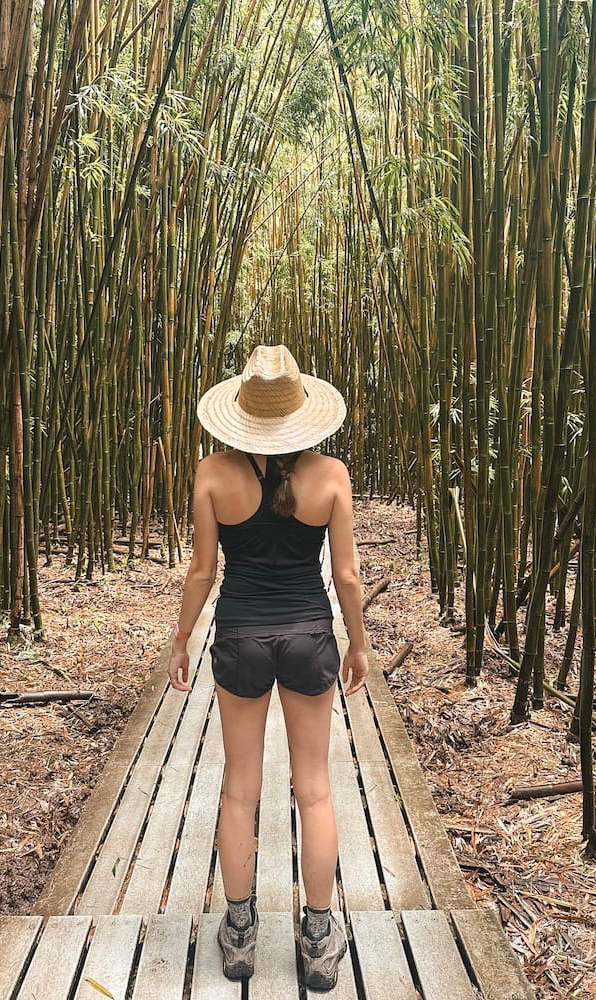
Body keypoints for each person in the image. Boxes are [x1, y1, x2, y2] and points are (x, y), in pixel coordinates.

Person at [167, 344, 369, 992]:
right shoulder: (331, 475)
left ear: (242, 413)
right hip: (310, 637)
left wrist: (181, 639)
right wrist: (358, 643)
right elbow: (346, 576)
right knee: (315, 789)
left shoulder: (211, 474)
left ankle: (239, 933)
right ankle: (318, 939)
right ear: (301, 412)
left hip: (240, 637)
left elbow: (202, 572)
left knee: (239, 790)